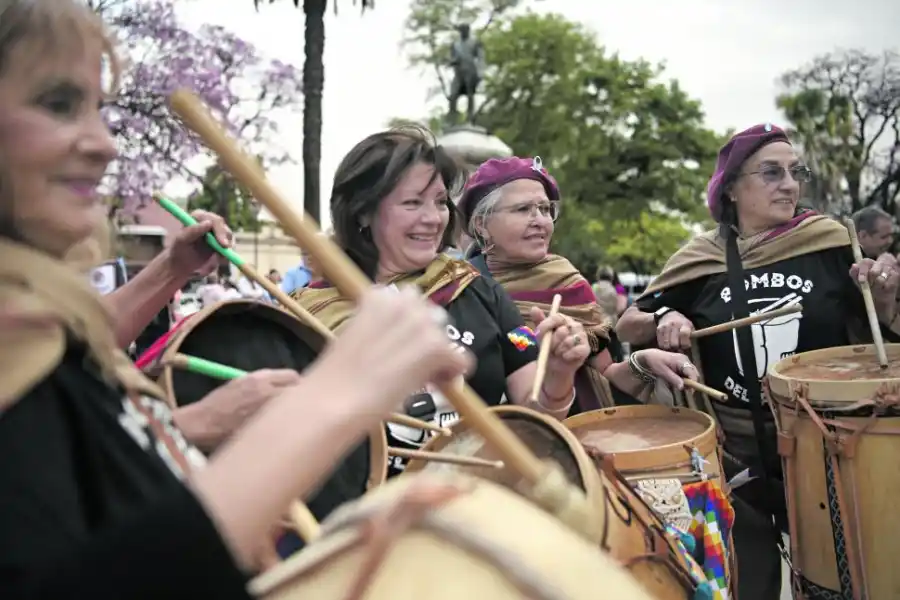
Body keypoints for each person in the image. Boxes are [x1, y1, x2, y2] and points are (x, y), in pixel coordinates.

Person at [0, 3, 471, 598]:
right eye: (58, 104)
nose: (105, 145)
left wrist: (170, 271)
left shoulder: (34, 310)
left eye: (98, 109)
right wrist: (335, 397)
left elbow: (75, 360)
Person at [614, 123, 900, 600]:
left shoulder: (830, 244)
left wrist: (886, 295)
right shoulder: (701, 257)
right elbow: (627, 323)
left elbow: (878, 336)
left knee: (844, 583)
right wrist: (668, 315)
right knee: (751, 584)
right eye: (771, 172)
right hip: (736, 456)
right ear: (730, 189)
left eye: (795, 172)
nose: (789, 184)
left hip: (825, 445)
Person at [294, 126, 591, 475]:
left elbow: (537, 420)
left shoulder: (476, 290)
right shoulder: (306, 314)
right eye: (412, 202)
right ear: (363, 212)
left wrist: (557, 374)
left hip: (477, 500)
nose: (433, 218)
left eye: (439, 202)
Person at [458, 156, 699, 413]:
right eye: (522, 209)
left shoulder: (570, 283)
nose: (539, 220)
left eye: (545, 209)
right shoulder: (460, 290)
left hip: (579, 437)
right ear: (481, 225)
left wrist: (643, 363)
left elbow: (606, 373)